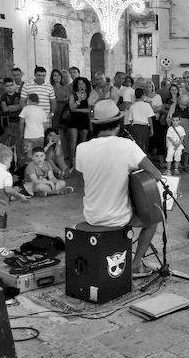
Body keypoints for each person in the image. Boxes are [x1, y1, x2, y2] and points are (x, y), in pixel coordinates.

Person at [74, 99, 163, 279]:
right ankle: (136, 262)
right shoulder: (126, 145)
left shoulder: (81, 148)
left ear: (95, 126)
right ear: (118, 124)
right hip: (117, 218)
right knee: (153, 220)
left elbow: (83, 179)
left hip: (91, 215)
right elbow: (156, 174)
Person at [66, 77, 92, 164]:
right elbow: (71, 108)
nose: (81, 85)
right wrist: (79, 100)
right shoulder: (72, 95)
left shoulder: (89, 95)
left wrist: (77, 110)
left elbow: (89, 110)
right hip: (73, 120)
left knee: (83, 141)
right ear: (76, 85)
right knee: (73, 140)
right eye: (79, 83)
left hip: (84, 120)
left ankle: (82, 159)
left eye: (83, 83)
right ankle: (73, 160)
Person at [127, 87, 155, 152]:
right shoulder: (147, 105)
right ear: (143, 96)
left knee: (137, 146)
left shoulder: (132, 106)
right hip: (144, 127)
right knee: (144, 145)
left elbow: (130, 119)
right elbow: (149, 118)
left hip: (135, 127)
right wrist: (151, 129)